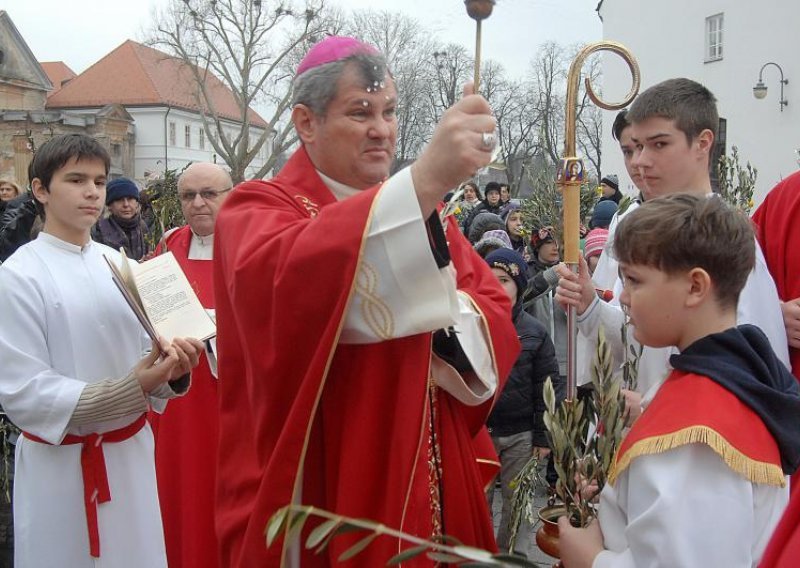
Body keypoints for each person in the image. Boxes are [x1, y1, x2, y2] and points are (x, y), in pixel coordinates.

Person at [212, 36, 520, 567]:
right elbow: (286, 285)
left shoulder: (432, 217)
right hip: (330, 481)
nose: (382, 128)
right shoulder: (258, 207)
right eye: (361, 112)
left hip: (430, 467)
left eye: (390, 111)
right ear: (306, 123)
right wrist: (423, 181)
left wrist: (443, 318)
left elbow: (492, 307)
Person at [558, 193, 800, 568]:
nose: (623, 298)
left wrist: (590, 558)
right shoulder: (733, 378)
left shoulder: (698, 432)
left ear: (695, 287)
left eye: (635, 280)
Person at [0, 133, 204, 567]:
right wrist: (131, 389)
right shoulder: (17, 277)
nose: (92, 191)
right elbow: (24, 392)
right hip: (61, 466)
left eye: (99, 180)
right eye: (76, 180)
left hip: (129, 454)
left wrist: (175, 369)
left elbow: (147, 355)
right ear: (40, 190)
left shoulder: (121, 264)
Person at [556, 78, 789, 408]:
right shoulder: (645, 223)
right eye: (636, 147)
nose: (640, 161)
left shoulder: (723, 237)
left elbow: (753, 376)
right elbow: (640, 344)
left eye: (659, 145)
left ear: (702, 143)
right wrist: (590, 305)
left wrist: (652, 409)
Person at [149, 162, 233, 568]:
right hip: (178, 399)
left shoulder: (255, 245)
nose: (198, 203)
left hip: (231, 398)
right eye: (188, 196)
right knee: (179, 491)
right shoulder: (167, 248)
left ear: (231, 195)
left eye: (209, 194)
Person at [484, 248, 561, 557]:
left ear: (519, 285)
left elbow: (548, 386)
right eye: (488, 280)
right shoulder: (472, 325)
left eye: (503, 280)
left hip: (520, 436)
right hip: (480, 434)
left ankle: (512, 559)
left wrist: (543, 436)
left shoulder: (534, 333)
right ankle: (476, 554)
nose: (496, 287)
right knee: (478, 503)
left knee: (517, 505)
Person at [91, 177, 151, 260]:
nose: (126, 204)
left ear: (137, 203)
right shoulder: (98, 230)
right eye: (119, 200)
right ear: (109, 206)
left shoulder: (142, 227)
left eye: (130, 199)